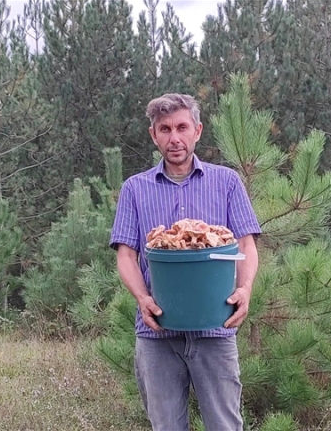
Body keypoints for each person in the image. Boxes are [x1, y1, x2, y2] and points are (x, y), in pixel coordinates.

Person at [109, 93, 261, 431]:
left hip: (215, 328)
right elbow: (126, 255)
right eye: (165, 129)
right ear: (154, 135)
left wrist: (245, 289)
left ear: (197, 131)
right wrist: (142, 298)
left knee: (224, 425)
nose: (174, 138)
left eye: (182, 127)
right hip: (158, 332)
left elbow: (246, 244)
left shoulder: (227, 182)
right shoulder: (135, 189)